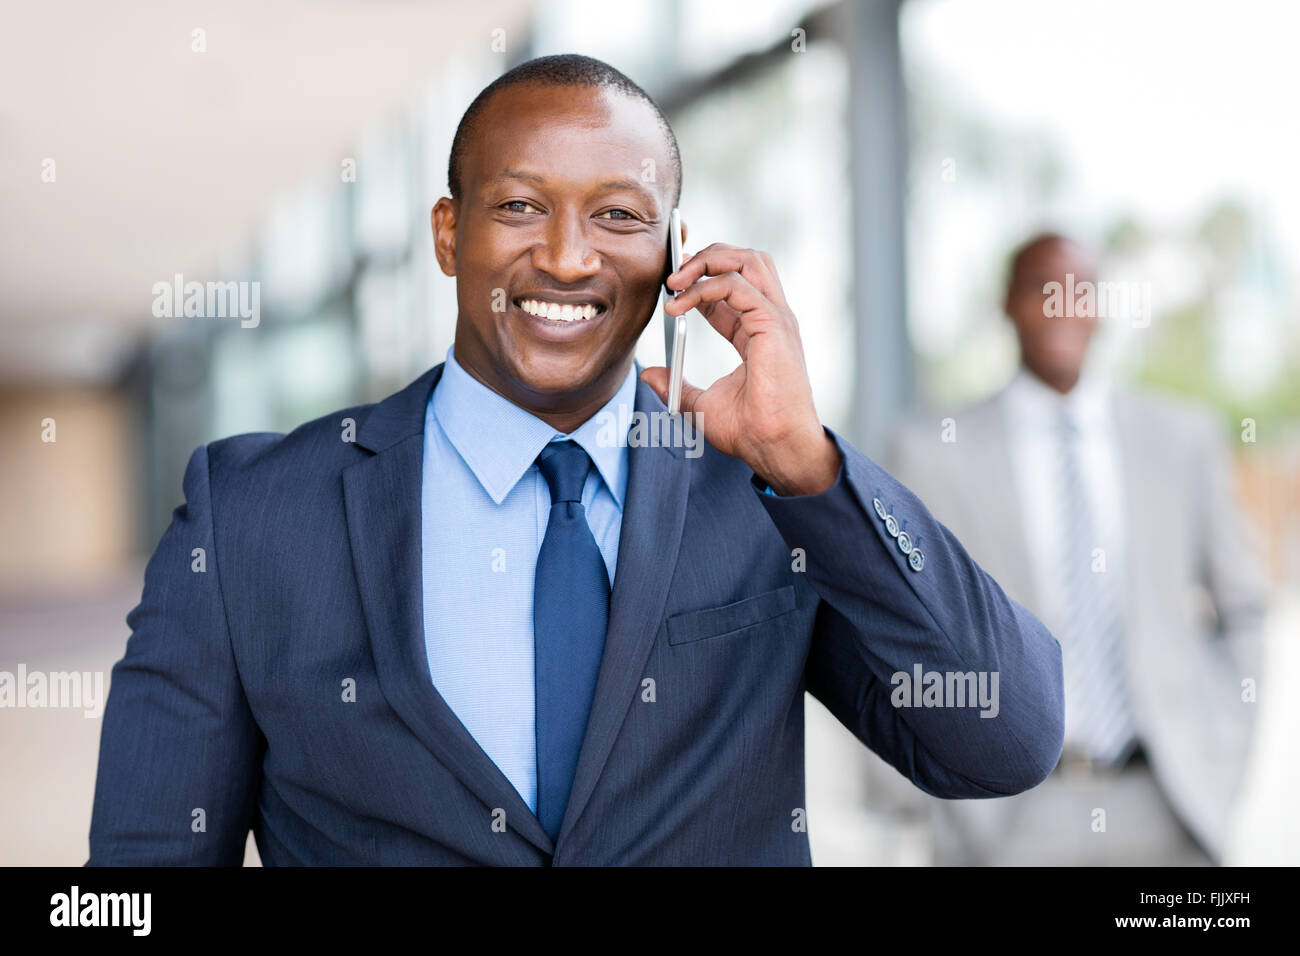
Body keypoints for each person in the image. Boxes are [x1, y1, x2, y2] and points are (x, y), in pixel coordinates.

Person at [87, 55, 1064, 866]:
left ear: (677, 252)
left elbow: (1006, 737)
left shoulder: (770, 499)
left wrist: (810, 466)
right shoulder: (254, 514)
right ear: (447, 233)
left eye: (617, 215)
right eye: (519, 205)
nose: (565, 257)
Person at [885, 233, 1268, 865]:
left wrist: (1224, 756)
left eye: (1079, 291)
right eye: (1041, 289)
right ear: (1007, 304)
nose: (1061, 308)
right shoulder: (932, 453)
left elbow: (1245, 606)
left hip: (1168, 804)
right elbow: (887, 624)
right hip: (1007, 817)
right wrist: (914, 795)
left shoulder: (1181, 439)